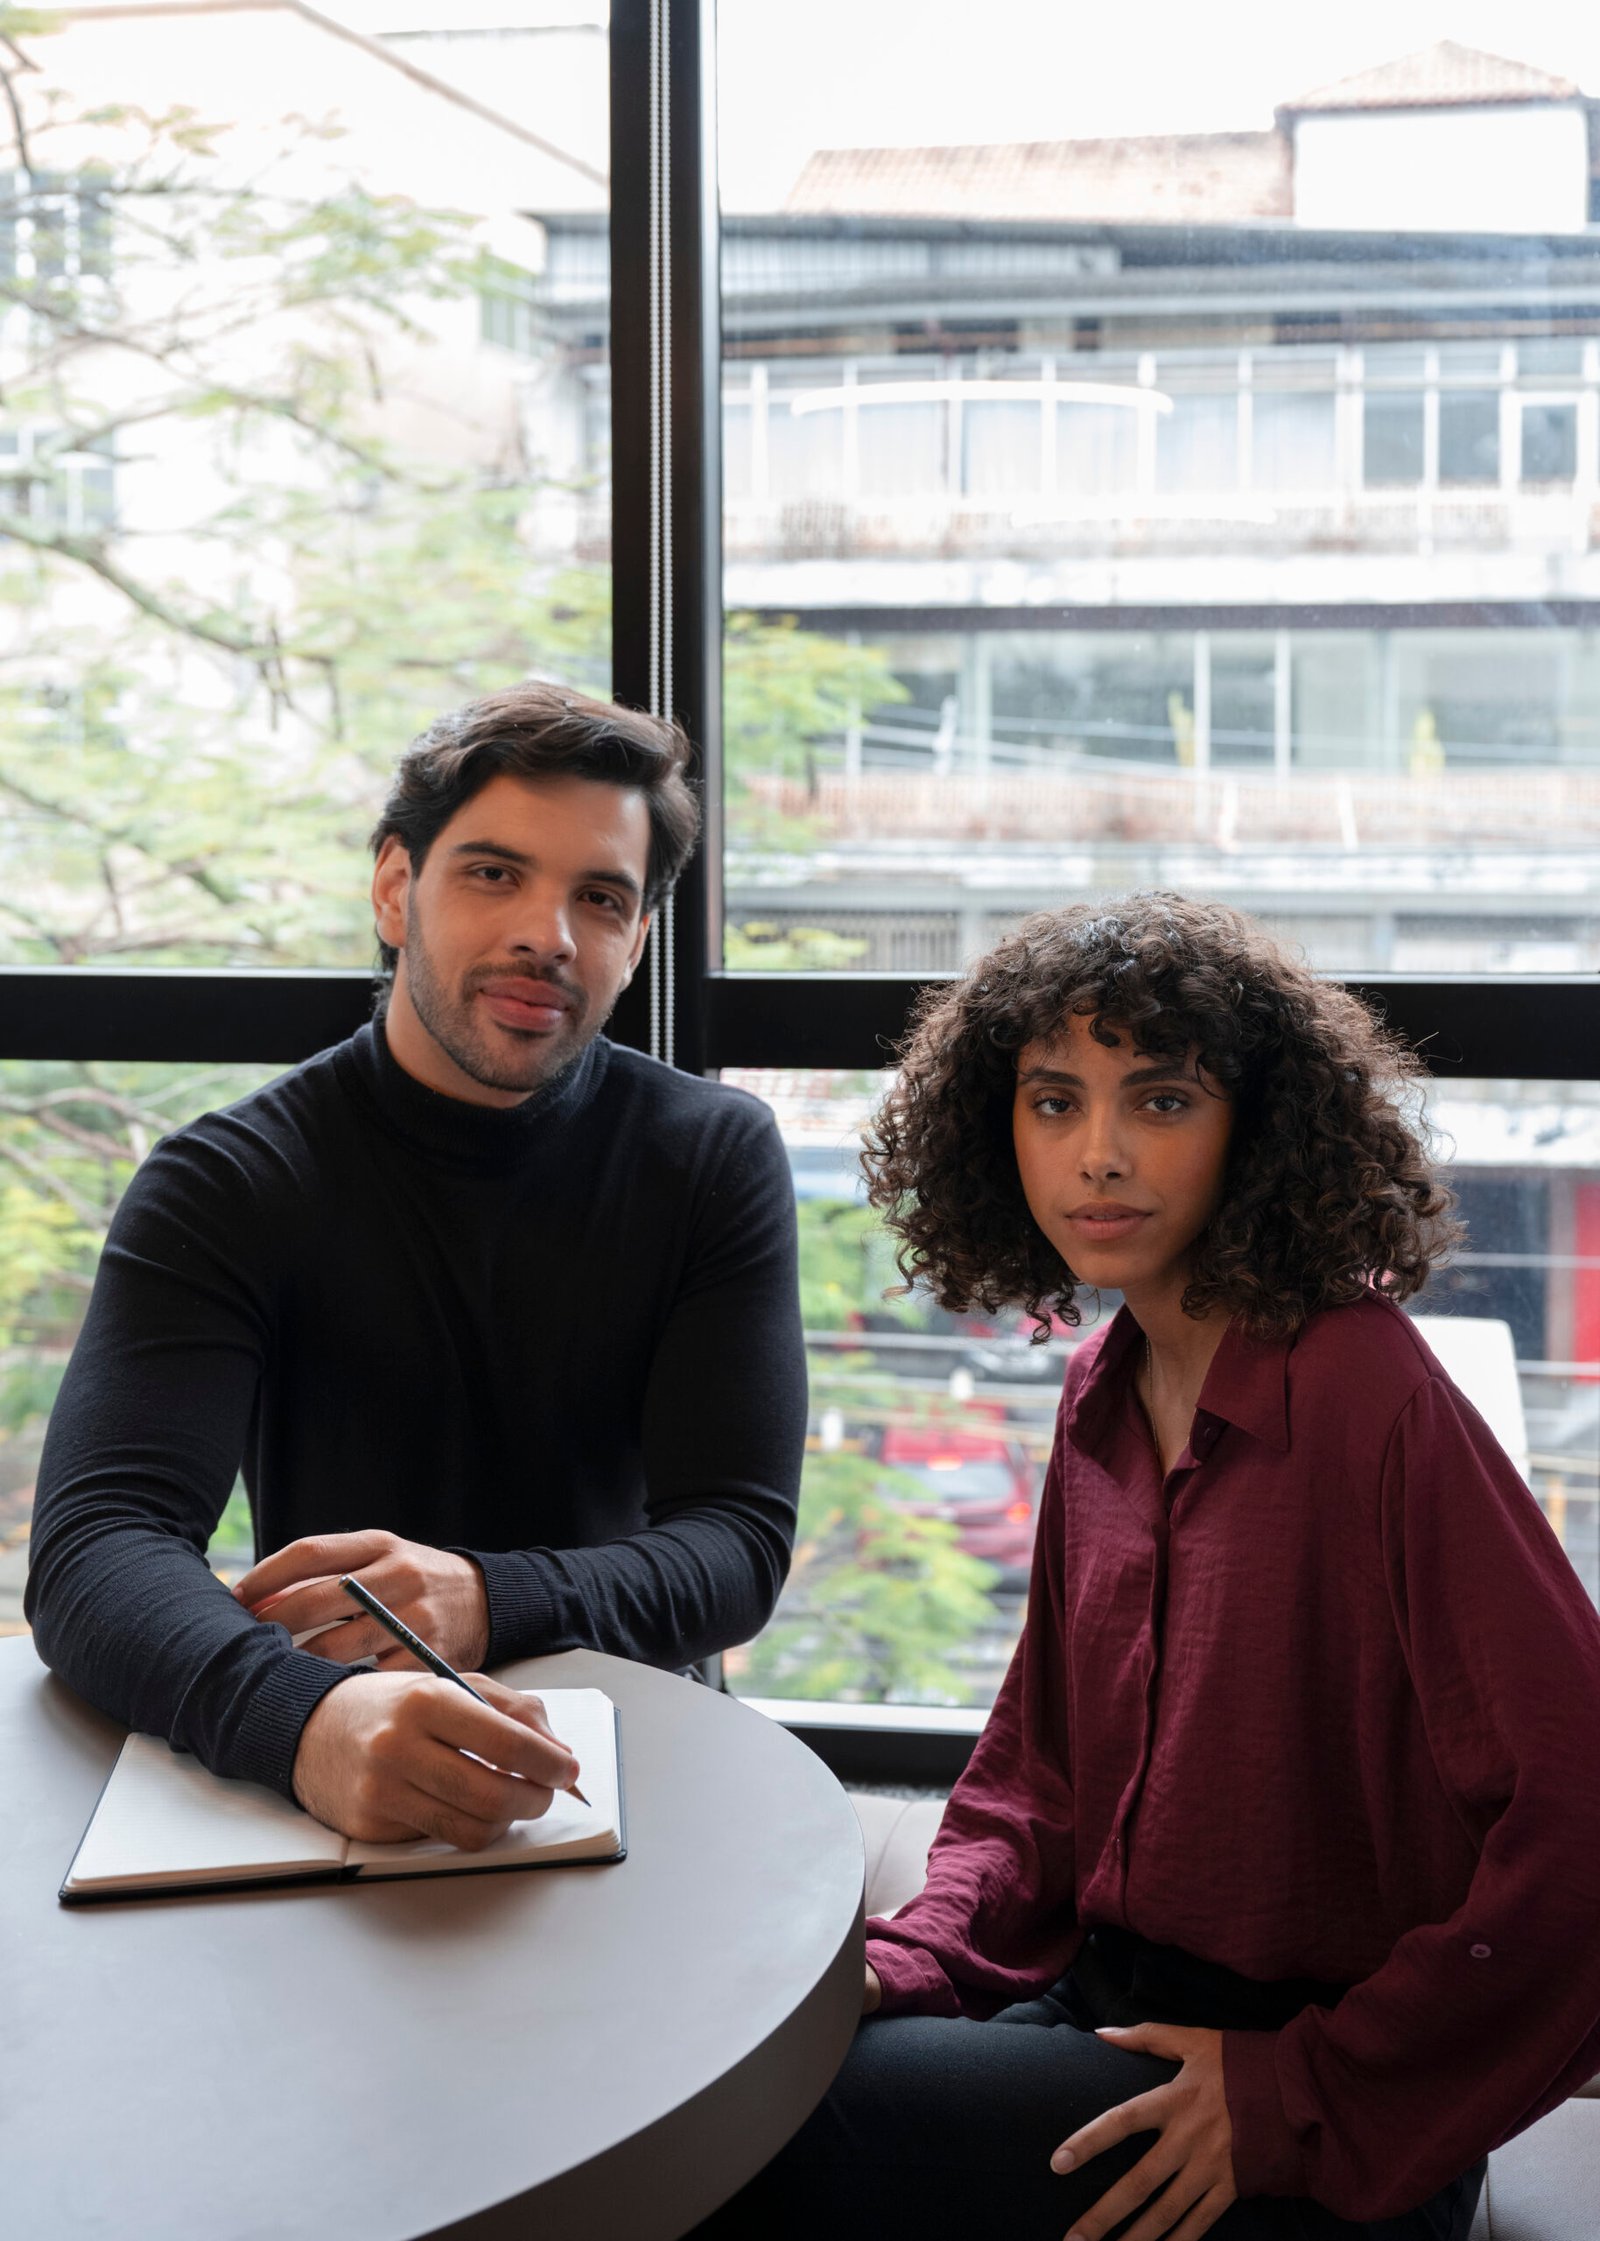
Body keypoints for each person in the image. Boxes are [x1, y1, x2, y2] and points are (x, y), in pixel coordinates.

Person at [698, 893, 1600, 2241]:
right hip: (1106, 2004)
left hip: (1309, 2096)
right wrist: (913, 1958)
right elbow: (1038, 1784)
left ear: (1258, 1128)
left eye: (1161, 1102)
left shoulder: (1362, 1390)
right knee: (752, 2068)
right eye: (1053, 1103)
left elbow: (1582, 1813)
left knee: (752, 2134)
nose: (1099, 1155)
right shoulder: (1101, 1391)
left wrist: (1303, 2087)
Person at [26, 682, 806, 1850]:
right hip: (338, 1752)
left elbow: (737, 1543)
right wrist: (302, 1718)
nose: (548, 934)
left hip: (632, 1746)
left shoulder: (710, 1153)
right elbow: (96, 1547)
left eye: (599, 898)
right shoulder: (230, 1178)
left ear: (637, 941)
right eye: (494, 873)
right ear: (396, 888)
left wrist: (485, 1598)